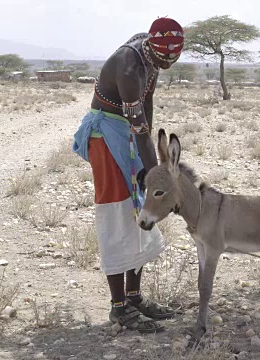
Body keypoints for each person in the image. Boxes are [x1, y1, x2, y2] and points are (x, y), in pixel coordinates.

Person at [72, 17, 184, 333]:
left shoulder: (151, 54)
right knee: (117, 213)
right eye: (163, 60)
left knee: (140, 211)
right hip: (106, 136)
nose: (166, 64)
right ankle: (118, 308)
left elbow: (145, 109)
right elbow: (141, 133)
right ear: (152, 48)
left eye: (170, 60)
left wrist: (155, 178)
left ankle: (134, 298)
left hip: (129, 134)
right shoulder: (129, 68)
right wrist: (157, 178)